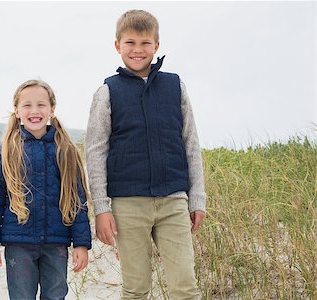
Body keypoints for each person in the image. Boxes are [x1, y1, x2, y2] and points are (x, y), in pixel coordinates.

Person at [86, 9, 206, 299]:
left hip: (173, 202)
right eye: (130, 43)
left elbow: (190, 142)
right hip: (128, 204)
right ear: (117, 46)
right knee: (136, 288)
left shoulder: (175, 86)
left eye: (145, 43)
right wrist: (101, 208)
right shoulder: (107, 91)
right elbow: (95, 151)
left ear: (156, 46)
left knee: (185, 287)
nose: (137, 50)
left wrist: (197, 197)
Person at [0, 79, 91, 300]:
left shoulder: (66, 150)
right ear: (17, 111)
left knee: (55, 295)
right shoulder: (6, 150)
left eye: (41, 105)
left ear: (52, 109)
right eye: (27, 105)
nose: (34, 111)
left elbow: (78, 199)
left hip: (56, 242)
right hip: (18, 243)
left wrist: (81, 243)